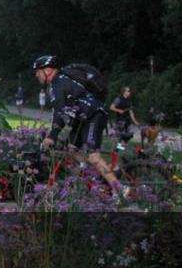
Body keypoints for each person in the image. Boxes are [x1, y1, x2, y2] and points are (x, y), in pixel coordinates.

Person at [33, 55, 125, 199]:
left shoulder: (59, 85)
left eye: (38, 71)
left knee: (93, 156)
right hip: (81, 119)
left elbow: (59, 113)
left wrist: (51, 137)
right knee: (72, 151)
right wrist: (53, 134)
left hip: (93, 116)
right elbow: (62, 114)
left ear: (48, 70)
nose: (36, 74)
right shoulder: (58, 83)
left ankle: (120, 191)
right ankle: (93, 181)